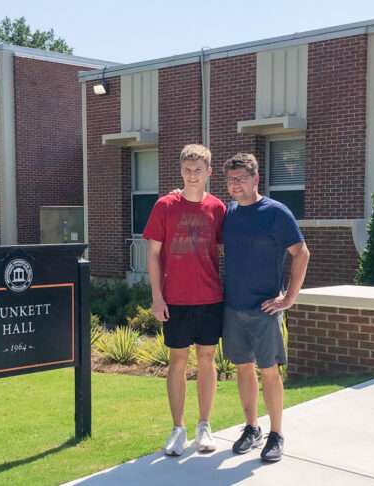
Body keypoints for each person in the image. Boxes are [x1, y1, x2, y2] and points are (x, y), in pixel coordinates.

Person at [222, 153, 310, 463]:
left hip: (266, 309)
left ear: (256, 179)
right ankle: (251, 428)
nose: (236, 185)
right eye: (231, 180)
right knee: (243, 369)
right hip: (233, 307)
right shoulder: (229, 213)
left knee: (269, 371)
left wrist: (289, 298)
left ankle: (276, 434)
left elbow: (302, 254)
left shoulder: (276, 213)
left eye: (241, 179)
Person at [142, 144, 226, 456]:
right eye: (188, 170)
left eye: (198, 170)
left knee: (207, 360)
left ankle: (205, 425)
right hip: (174, 299)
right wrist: (157, 298)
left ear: (208, 173)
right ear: (181, 171)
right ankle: (178, 429)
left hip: (209, 298)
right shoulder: (165, 206)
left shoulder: (218, 208)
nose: (193, 175)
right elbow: (152, 254)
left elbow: (227, 250)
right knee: (177, 361)